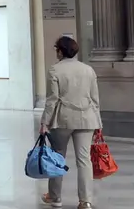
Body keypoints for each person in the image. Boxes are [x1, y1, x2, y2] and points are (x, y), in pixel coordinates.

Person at [39, 36, 102, 209]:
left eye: (56, 49)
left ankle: (55, 197)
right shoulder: (88, 70)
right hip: (87, 118)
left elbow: (52, 100)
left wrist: (44, 122)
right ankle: (86, 201)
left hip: (63, 119)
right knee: (84, 160)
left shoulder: (55, 70)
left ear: (60, 51)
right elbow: (95, 99)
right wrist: (98, 123)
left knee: (57, 156)